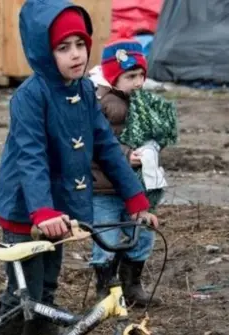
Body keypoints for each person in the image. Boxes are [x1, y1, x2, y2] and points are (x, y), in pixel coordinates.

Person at [0, 0, 159, 335]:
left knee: (48, 286)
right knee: (25, 293)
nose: (76, 55)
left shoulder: (84, 91)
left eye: (80, 44)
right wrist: (42, 209)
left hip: (58, 211)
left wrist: (136, 198)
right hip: (28, 209)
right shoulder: (30, 96)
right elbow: (31, 155)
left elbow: (107, 149)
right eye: (63, 47)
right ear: (43, 52)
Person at [90, 32, 178, 307]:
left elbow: (147, 135)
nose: (138, 83)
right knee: (105, 238)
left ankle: (132, 285)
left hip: (135, 189)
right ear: (112, 76)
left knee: (141, 234)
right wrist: (126, 155)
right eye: (131, 77)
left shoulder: (141, 105)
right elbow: (96, 144)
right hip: (103, 188)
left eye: (141, 75)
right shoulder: (100, 104)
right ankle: (104, 288)